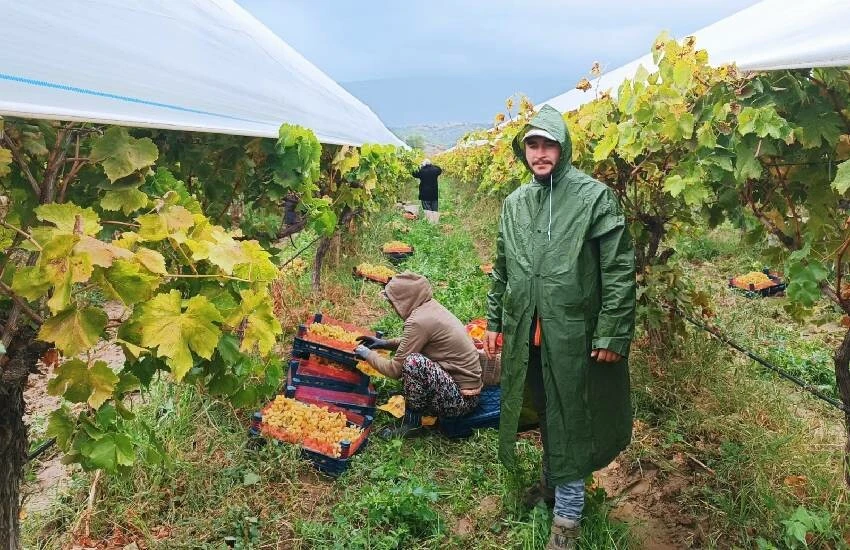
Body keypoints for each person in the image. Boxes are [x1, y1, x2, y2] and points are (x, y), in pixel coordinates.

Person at [484, 105, 636, 550]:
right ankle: (552, 486)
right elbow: (502, 267)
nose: (540, 153)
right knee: (547, 410)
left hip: (573, 335)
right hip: (527, 333)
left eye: (548, 144)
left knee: (571, 417)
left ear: (563, 147)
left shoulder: (594, 198)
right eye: (532, 145)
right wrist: (495, 320)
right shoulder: (515, 203)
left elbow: (618, 269)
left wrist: (612, 331)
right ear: (523, 151)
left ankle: (567, 521)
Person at [354, 271, 482, 436]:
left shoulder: (418, 321)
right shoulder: (430, 308)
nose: (393, 307)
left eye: (393, 302)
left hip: (459, 402)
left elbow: (394, 370)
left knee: (413, 363)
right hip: (463, 391)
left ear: (404, 300)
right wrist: (384, 343)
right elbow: (415, 341)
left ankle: (412, 424)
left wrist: (367, 354)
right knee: (413, 360)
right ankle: (420, 403)